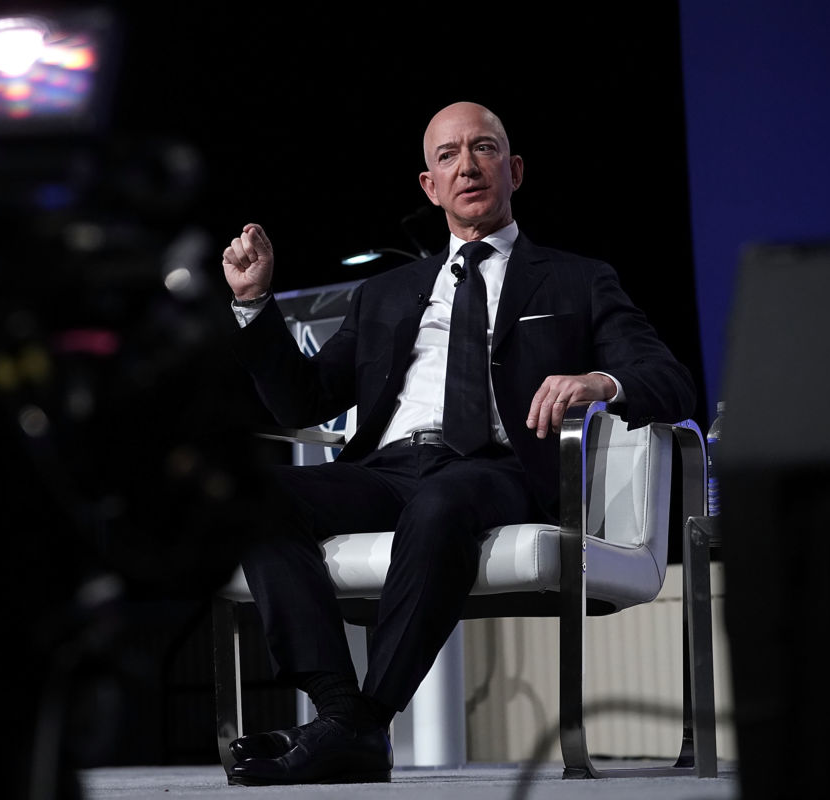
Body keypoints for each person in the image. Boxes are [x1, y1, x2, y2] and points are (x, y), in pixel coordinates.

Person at [218, 101, 696, 786]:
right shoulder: (385, 292)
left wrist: (600, 379)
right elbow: (303, 401)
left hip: (498, 469)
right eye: (448, 156)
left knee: (442, 503)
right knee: (255, 494)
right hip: (387, 468)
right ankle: (340, 715)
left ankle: (358, 724)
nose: (467, 165)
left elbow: (668, 378)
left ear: (515, 169)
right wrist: (254, 307)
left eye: (484, 148)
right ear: (429, 185)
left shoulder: (576, 279)